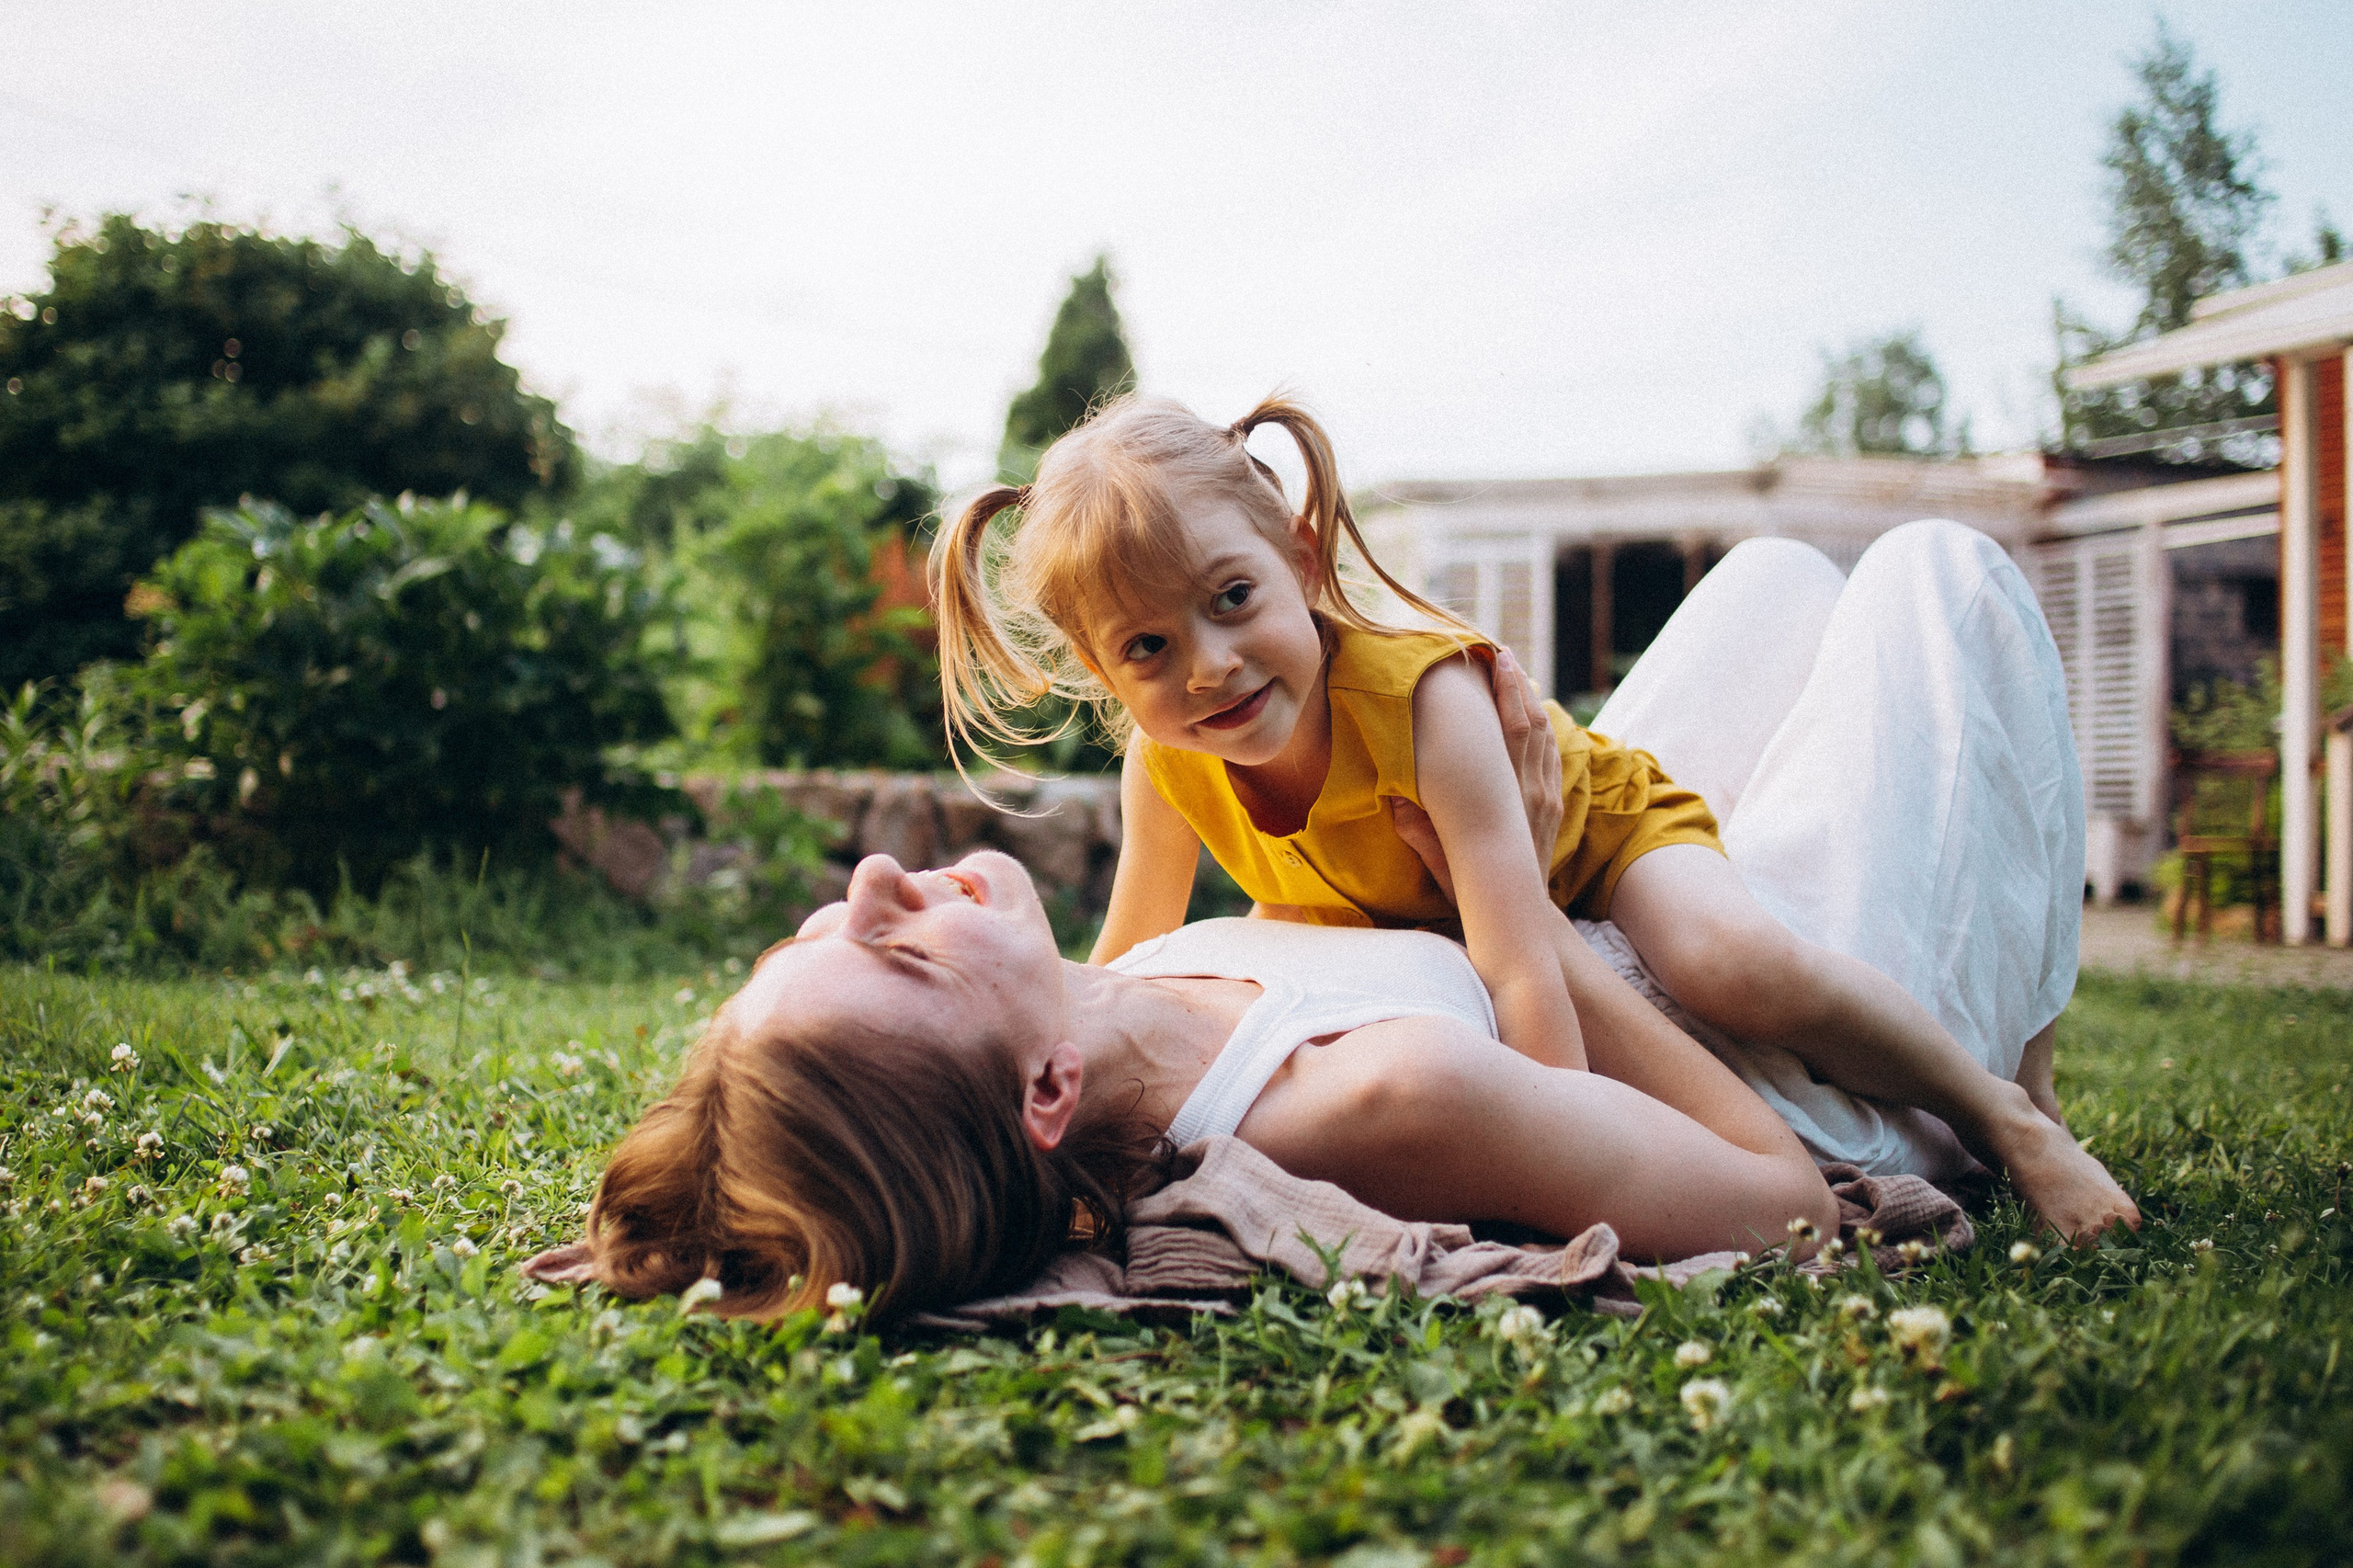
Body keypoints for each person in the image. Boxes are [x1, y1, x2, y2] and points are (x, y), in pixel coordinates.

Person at [576, 520, 2137, 1326]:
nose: (867, 883)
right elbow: (1783, 1200)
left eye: (807, 929)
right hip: (1772, 1053)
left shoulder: (1113, 986)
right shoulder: (1374, 1096)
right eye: (892, 948)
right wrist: (1495, 884)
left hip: (1584, 887)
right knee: (1941, 573)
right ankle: (2006, 1093)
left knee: (1781, 574)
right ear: (1043, 1095)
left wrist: (1497, 824)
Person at [931, 396, 2131, 1238]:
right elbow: (1128, 959)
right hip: (1498, 882)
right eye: (1148, 647)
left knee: (1732, 961)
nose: (1209, 667)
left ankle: (2004, 1115)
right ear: (1100, 667)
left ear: (1300, 559)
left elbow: (1517, 957)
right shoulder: (1170, 765)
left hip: (1598, 831)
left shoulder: (1426, 705)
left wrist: (1573, 1134)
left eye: (1231, 598)